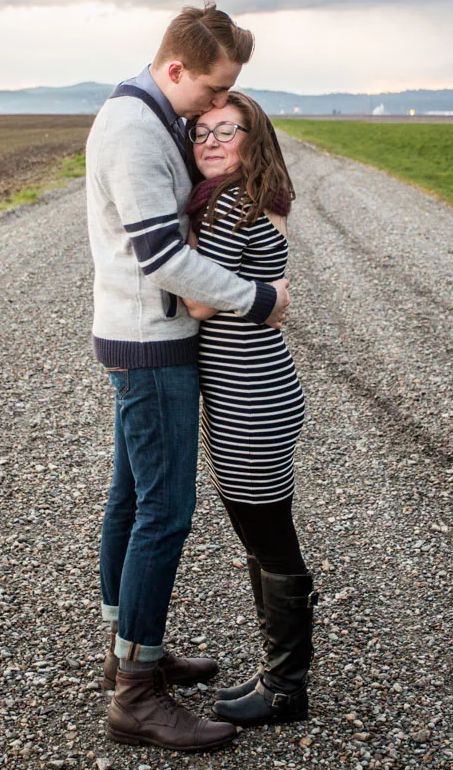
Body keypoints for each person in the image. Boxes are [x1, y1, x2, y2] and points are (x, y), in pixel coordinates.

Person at [85, 2, 291, 752]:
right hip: (153, 342)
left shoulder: (146, 115)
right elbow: (164, 259)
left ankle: (129, 649)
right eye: (212, 89)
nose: (214, 105)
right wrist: (262, 297)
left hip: (142, 334)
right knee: (164, 512)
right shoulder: (137, 131)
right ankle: (136, 693)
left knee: (133, 496)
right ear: (176, 69)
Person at [180, 91, 315, 726]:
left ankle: (287, 689)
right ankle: (278, 677)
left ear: (251, 138)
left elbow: (203, 304)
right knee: (261, 533)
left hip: (249, 396)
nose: (208, 141)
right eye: (199, 131)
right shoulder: (251, 194)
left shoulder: (232, 203)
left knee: (266, 535)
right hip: (255, 387)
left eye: (223, 130)